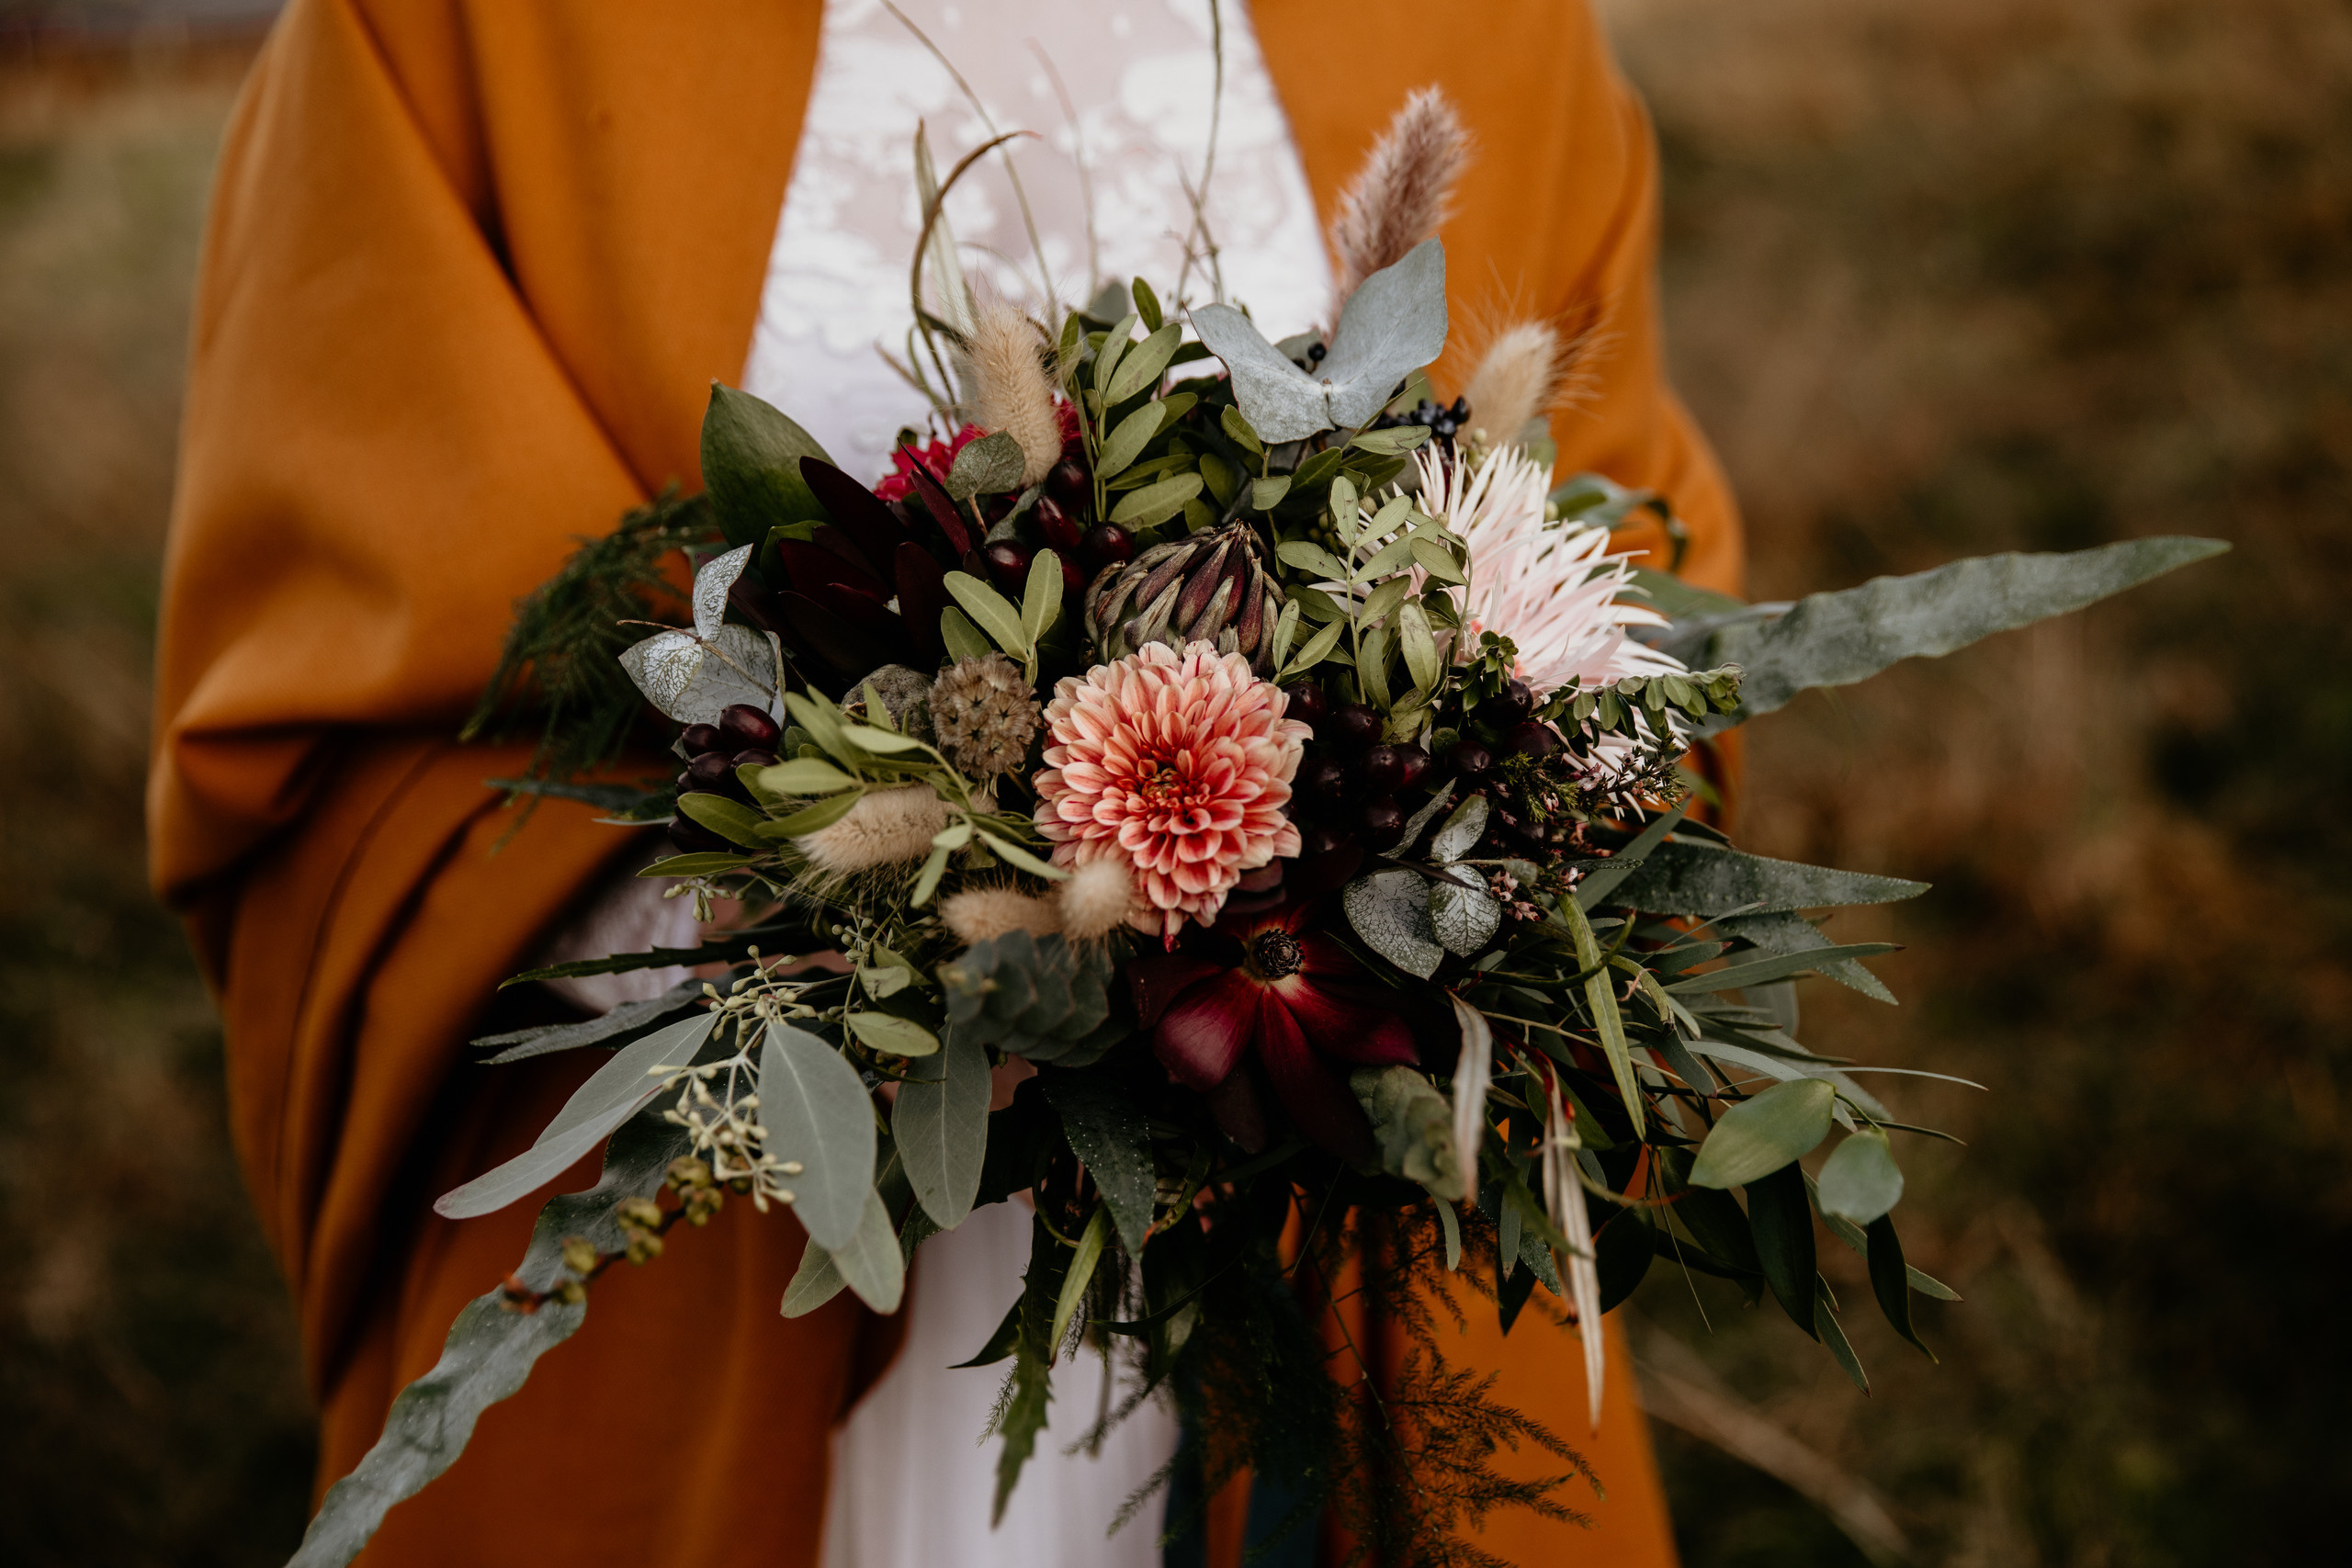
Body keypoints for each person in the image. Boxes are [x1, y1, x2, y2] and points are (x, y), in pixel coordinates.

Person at [151, 2, 1742, 1564]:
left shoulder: (1500, 30)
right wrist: (824, 957)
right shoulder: (442, 35)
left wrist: (1430, 871)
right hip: (736, 1250)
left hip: (1338, 1215)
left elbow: (1641, 610)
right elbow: (338, 690)